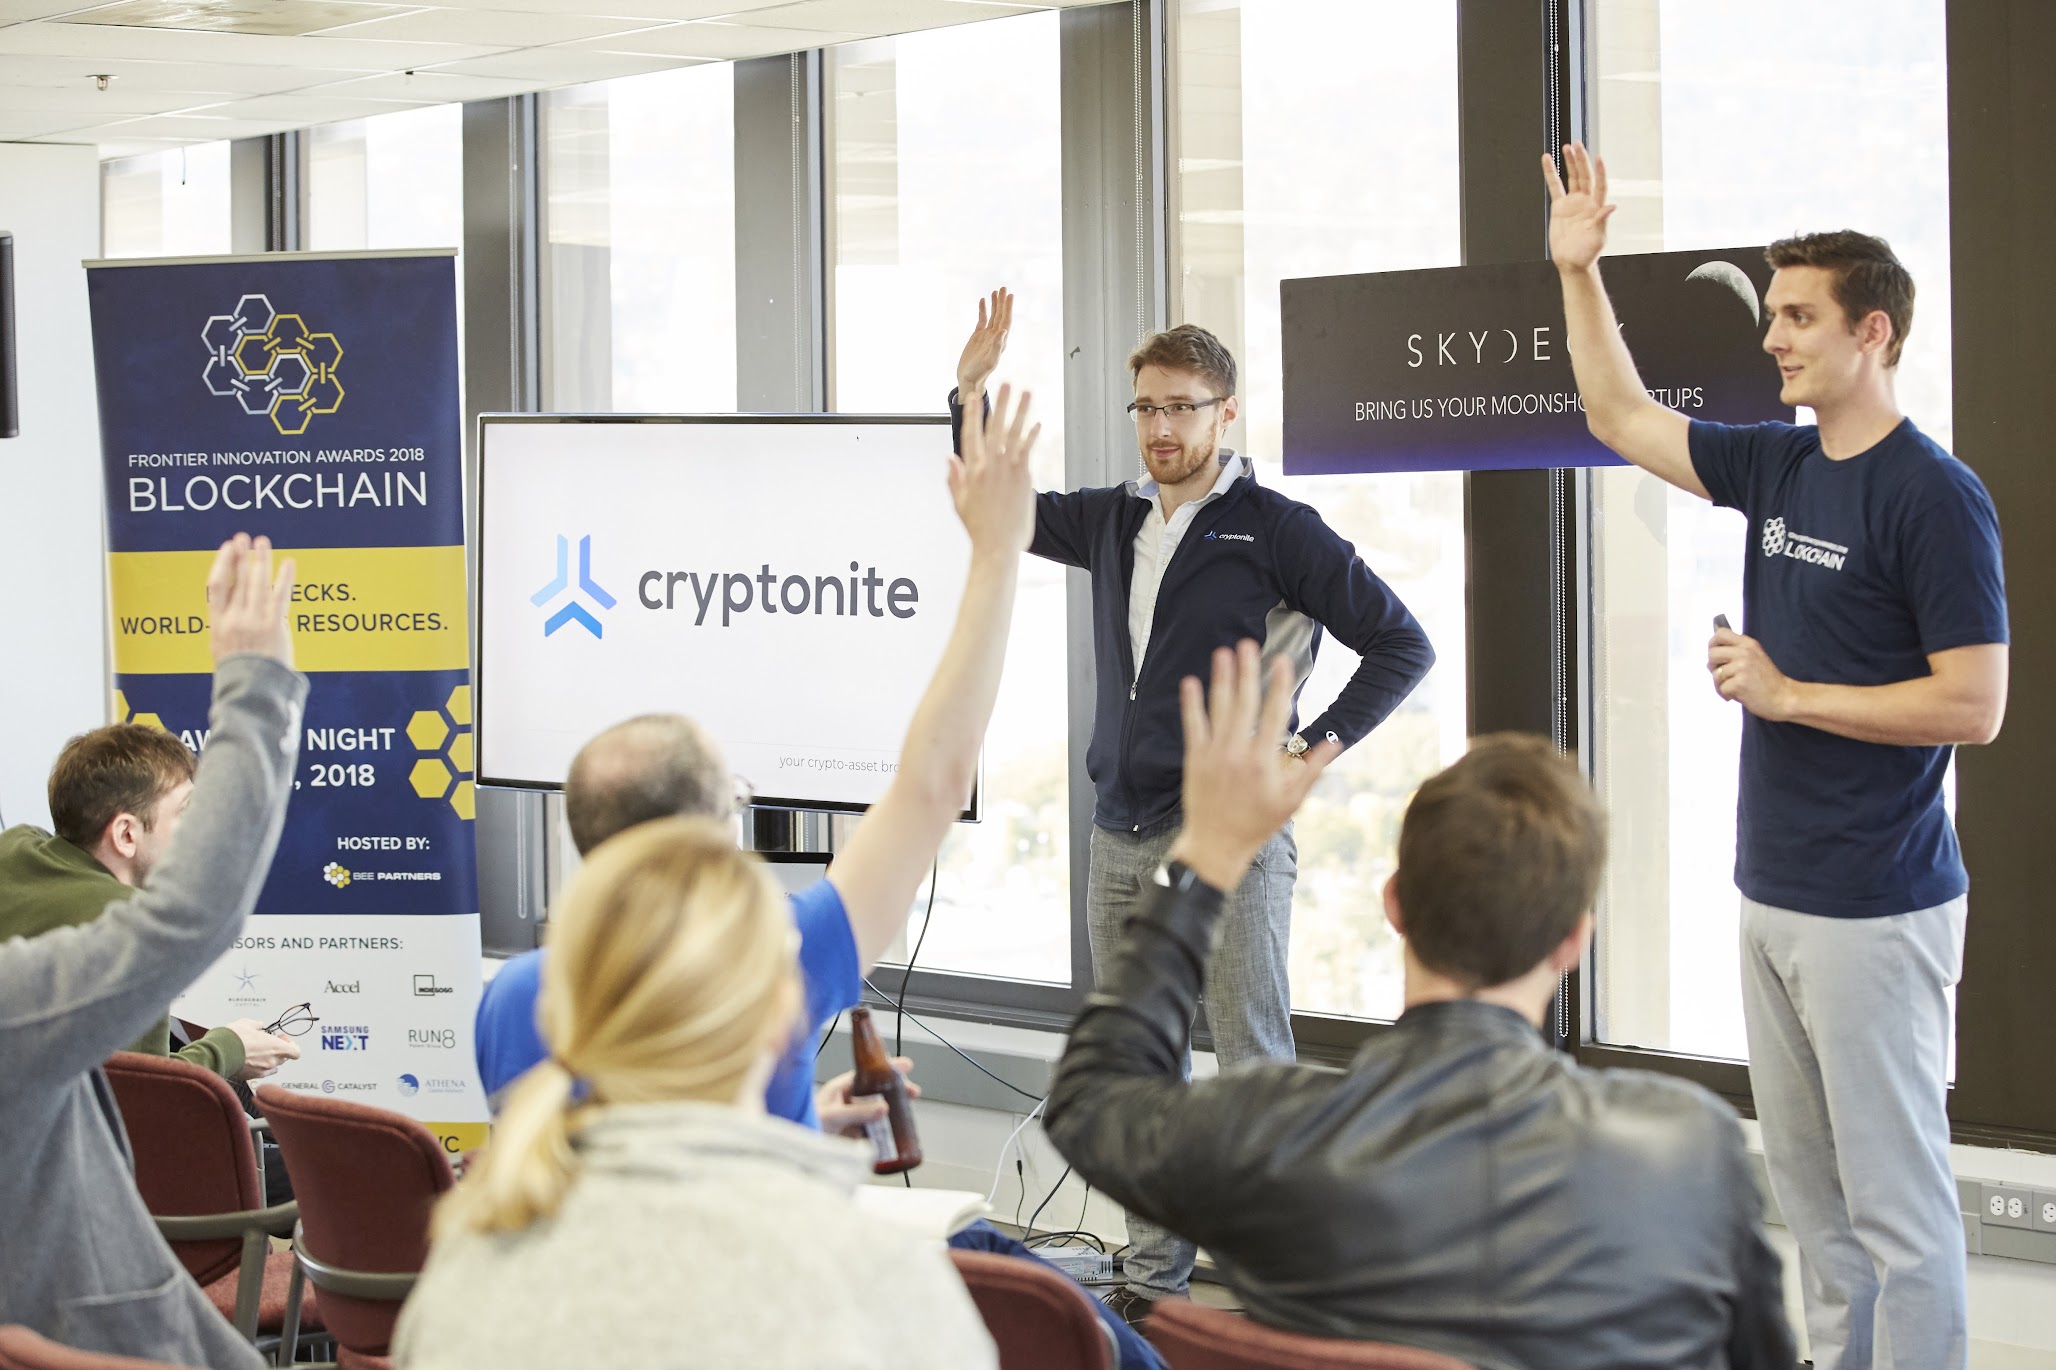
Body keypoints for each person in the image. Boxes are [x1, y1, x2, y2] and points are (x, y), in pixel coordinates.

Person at [1542, 142, 2007, 1370]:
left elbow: (1974, 704)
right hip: (1774, 892)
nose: (1773, 338)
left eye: (1798, 316)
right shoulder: (1781, 462)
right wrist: (1576, 274)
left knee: (1899, 1216)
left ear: (1876, 332)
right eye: (1773, 313)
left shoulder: (1935, 495)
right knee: (1811, 1210)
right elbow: (1615, 415)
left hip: (1878, 907)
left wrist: (1791, 692)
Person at [1043, 641, 1796, 1368]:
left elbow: (1089, 1100)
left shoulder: (1264, 1129)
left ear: (1395, 904)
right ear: (1572, 941)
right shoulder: (1689, 1149)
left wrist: (1206, 856)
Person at [952, 291, 1435, 1316]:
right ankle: (1149, 1289)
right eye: (1145, 408)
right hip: (1115, 833)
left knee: (1251, 1066)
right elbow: (997, 506)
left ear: (1225, 412)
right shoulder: (1114, 518)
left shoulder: (1276, 530)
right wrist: (969, 393)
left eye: (1181, 406)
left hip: (1224, 840)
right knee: (1139, 1075)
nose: (1161, 427)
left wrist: (1308, 748)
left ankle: (1282, 1293)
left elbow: (1403, 643)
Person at [396, 818, 996, 1370]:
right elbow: (924, 793)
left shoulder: (462, 1275)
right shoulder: (880, 1283)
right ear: (778, 1011)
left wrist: (806, 1120)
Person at [0, 535, 302, 1368]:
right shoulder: (35, 982)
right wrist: (255, 684)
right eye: (188, 816)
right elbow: (191, 922)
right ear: (125, 832)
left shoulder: (20, 864)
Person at [0, 724, 302, 1084]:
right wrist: (230, 1050)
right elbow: (143, 1095)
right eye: (185, 812)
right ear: (126, 834)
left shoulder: (16, 845)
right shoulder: (129, 931)